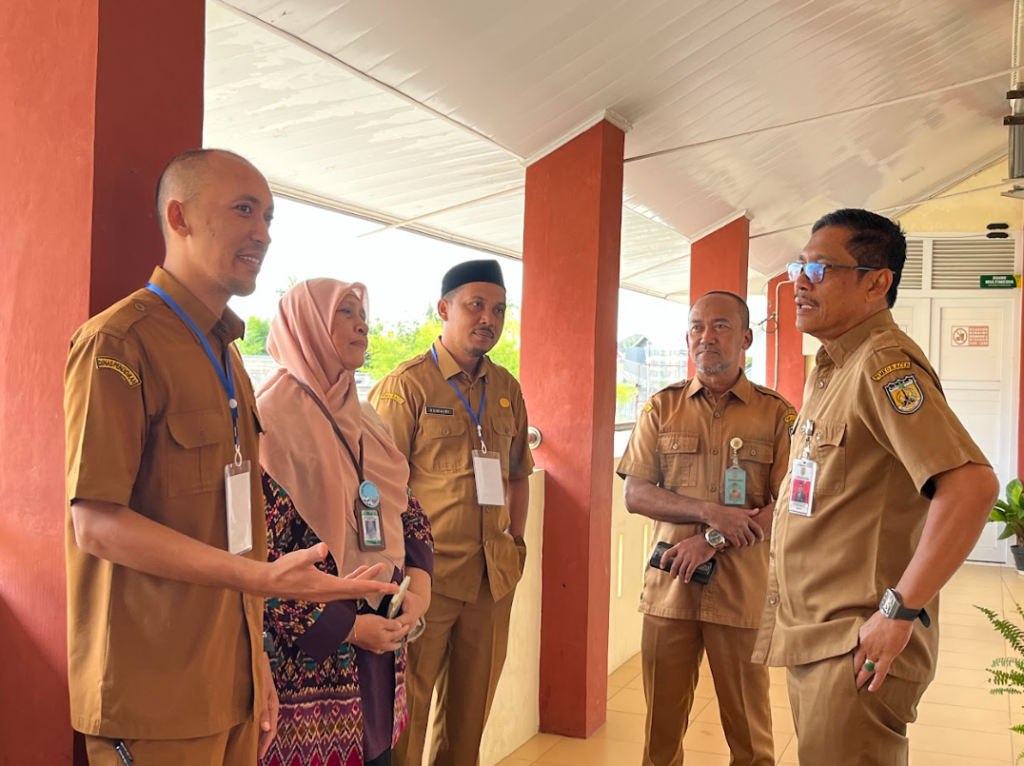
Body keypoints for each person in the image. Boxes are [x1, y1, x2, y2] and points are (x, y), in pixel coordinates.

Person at [64, 150, 394, 766]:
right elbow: (96, 523)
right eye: (244, 210)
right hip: (155, 691)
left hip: (233, 681)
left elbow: (237, 525)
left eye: (268, 216)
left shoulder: (229, 357)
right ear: (180, 217)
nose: (262, 233)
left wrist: (257, 661)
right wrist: (262, 579)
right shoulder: (118, 344)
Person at [752, 209, 999, 765]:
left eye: (821, 268)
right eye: (798, 266)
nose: (800, 281)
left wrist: (897, 613)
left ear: (876, 282)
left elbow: (971, 485)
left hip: (857, 643)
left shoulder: (882, 362)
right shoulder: (833, 369)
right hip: (820, 639)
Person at [255, 279, 435, 766]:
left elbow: (410, 514)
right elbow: (259, 566)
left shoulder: (368, 420)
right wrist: (352, 628)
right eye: (345, 312)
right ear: (308, 326)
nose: (362, 325)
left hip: (383, 656)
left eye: (363, 314)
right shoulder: (268, 424)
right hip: (313, 677)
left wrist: (418, 592)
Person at [617, 291, 795, 766]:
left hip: (741, 595)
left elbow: (789, 506)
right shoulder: (662, 408)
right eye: (697, 327)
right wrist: (711, 513)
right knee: (660, 737)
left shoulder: (776, 414)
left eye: (720, 326)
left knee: (751, 738)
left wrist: (711, 539)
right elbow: (636, 494)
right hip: (670, 591)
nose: (706, 337)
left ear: (747, 338)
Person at [369, 260, 534, 766]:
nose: (488, 318)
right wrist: (393, 572)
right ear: (444, 309)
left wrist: (516, 544)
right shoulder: (407, 387)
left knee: (469, 717)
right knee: (406, 714)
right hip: (425, 579)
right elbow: (375, 488)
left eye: (499, 309)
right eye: (475, 305)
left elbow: (518, 475)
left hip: (491, 579)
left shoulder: (506, 388)